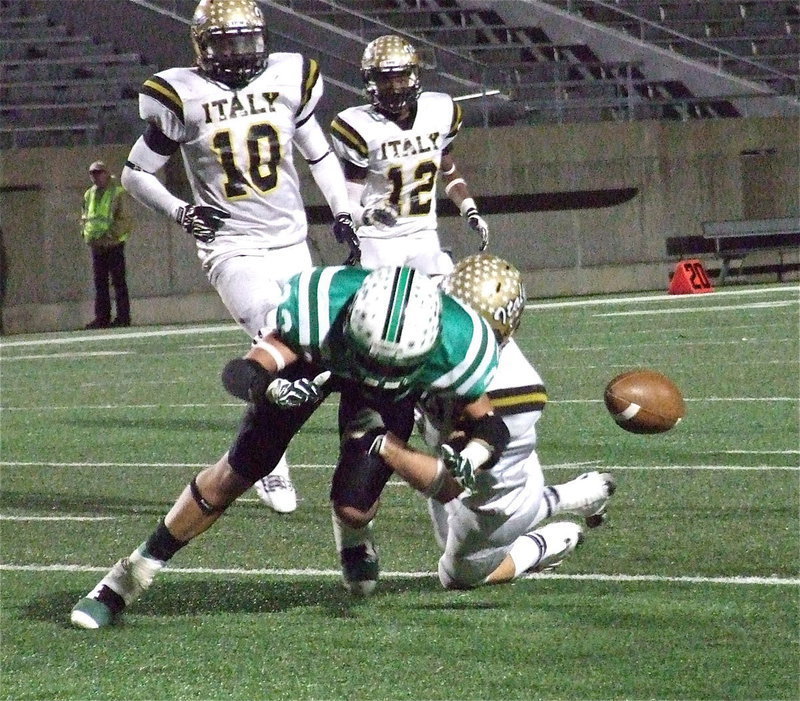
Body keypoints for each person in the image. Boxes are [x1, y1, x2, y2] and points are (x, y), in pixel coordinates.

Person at [70, 264, 510, 628]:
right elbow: (243, 372)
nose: (376, 374)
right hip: (315, 362)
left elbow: (489, 427)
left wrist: (470, 455)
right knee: (240, 469)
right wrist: (268, 391)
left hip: (382, 396)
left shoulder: (458, 342)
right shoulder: (320, 309)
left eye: (391, 365)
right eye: (371, 360)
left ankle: (354, 533)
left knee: (354, 503)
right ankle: (130, 575)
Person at [119, 0, 359, 513]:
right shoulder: (183, 95)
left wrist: (343, 211)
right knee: (275, 332)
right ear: (202, 47)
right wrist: (182, 212)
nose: (240, 52)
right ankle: (268, 462)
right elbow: (134, 174)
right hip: (232, 243)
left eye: (248, 40)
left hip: (291, 239)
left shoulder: (287, 78)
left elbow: (318, 154)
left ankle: (265, 450)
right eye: (227, 42)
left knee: (310, 349)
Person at [365, 254, 616, 590]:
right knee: (445, 534)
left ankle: (550, 542)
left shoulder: (511, 389)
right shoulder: (452, 314)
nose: (452, 331)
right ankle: (574, 496)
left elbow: (450, 478)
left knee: (457, 577)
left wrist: (387, 448)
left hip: (495, 494)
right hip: (467, 458)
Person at [329, 34, 489, 277]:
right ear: (371, 81)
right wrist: (368, 215)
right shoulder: (358, 126)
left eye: (401, 78)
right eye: (385, 80)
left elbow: (448, 171)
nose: (394, 87)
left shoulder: (439, 111)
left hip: (424, 236)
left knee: (445, 294)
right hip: (379, 240)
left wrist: (470, 210)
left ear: (413, 75)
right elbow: (347, 201)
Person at [81, 161, 132, 329]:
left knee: (118, 282)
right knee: (100, 283)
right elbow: (85, 216)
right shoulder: (89, 194)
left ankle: (123, 318)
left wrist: (110, 234)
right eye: (93, 174)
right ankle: (102, 318)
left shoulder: (117, 193)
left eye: (99, 173)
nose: (96, 177)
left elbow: (124, 219)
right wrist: (86, 234)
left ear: (106, 173)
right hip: (97, 245)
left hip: (113, 244)